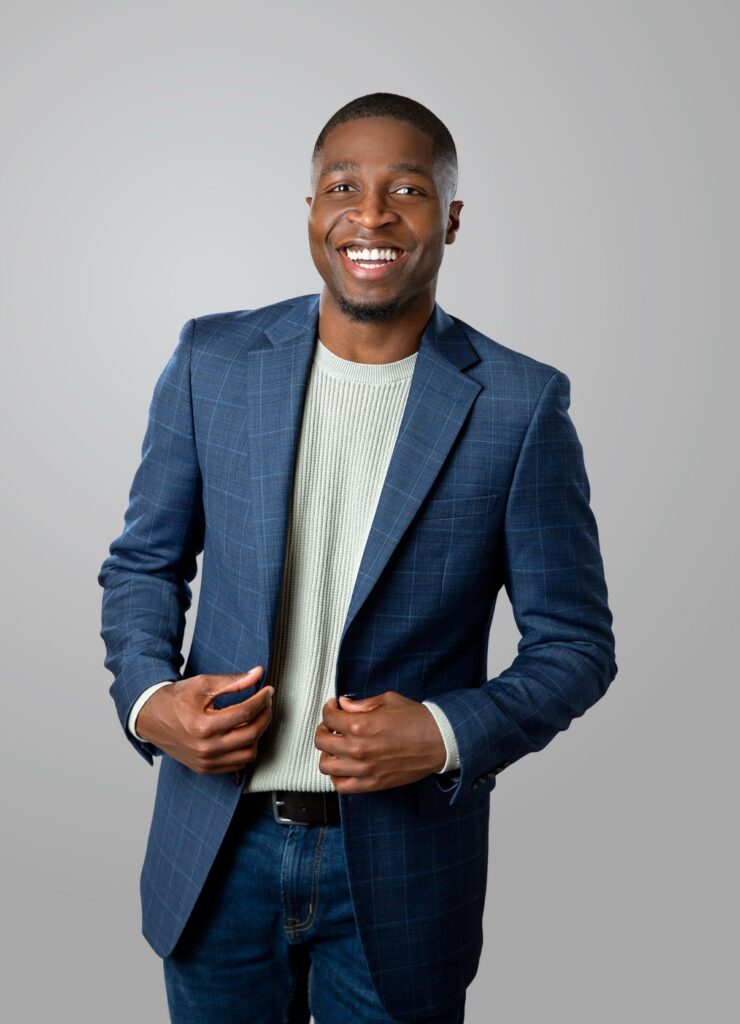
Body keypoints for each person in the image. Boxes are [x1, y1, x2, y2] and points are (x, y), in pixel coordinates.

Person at [98, 92, 617, 1024]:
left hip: (402, 872)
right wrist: (147, 701)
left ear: (450, 219)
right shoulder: (212, 361)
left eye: (407, 189)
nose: (371, 214)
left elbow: (576, 645)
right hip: (216, 851)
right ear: (310, 212)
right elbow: (143, 566)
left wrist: (448, 733)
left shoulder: (519, 405)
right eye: (343, 186)